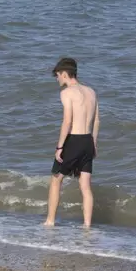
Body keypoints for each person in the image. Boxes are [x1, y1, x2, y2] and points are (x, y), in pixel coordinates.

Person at [43, 56, 99, 228]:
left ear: (64, 74)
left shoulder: (67, 93)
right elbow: (96, 121)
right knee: (85, 185)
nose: (57, 79)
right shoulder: (91, 92)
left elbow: (67, 121)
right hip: (88, 141)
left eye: (57, 75)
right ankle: (87, 225)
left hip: (73, 140)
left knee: (55, 180)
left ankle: (50, 221)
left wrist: (60, 147)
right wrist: (93, 144)